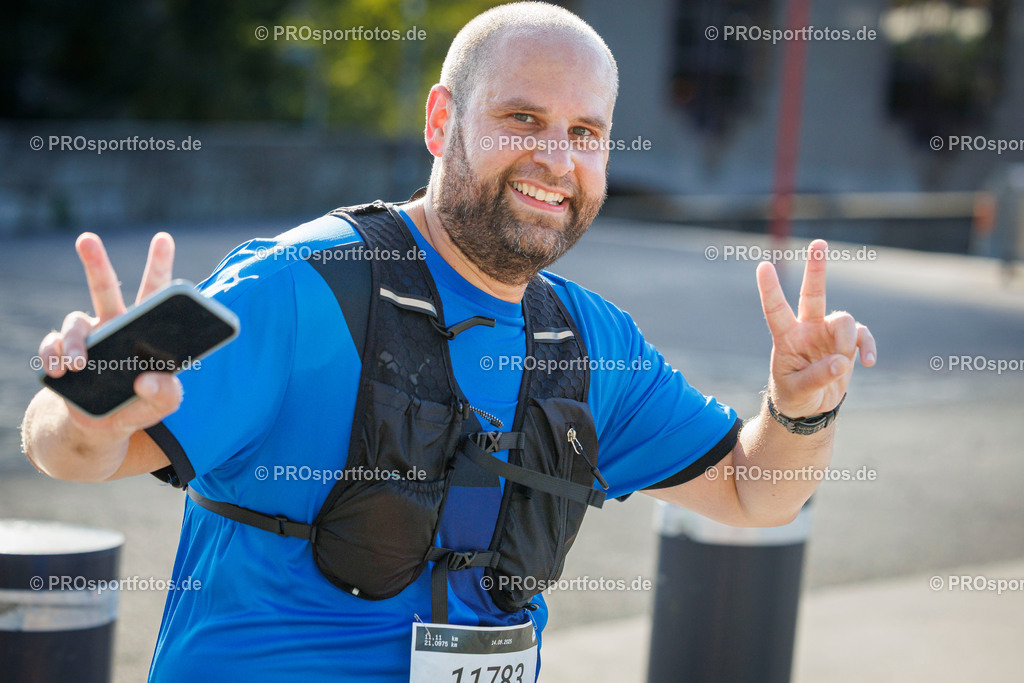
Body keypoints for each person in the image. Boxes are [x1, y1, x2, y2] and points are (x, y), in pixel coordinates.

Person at [21, 2, 876, 681]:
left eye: (585, 134)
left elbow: (755, 495)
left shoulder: (592, 341)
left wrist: (802, 411)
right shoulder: (298, 284)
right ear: (442, 121)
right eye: (523, 118)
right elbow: (66, 451)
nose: (556, 158)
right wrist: (91, 404)